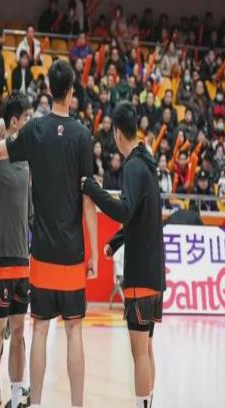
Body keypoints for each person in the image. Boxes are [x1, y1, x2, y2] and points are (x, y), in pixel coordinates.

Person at [0, 60, 99, 408]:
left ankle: (35, 403)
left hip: (40, 253)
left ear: (49, 91)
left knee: (39, 328)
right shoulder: (82, 135)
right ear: (71, 91)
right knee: (74, 330)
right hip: (72, 254)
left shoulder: (35, 130)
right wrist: (95, 253)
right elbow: (88, 200)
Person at [82, 101, 166, 408]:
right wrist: (116, 242)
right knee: (147, 347)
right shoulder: (148, 163)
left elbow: (125, 210)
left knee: (139, 352)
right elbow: (142, 215)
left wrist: (93, 190)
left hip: (140, 274)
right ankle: (148, 402)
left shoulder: (132, 166)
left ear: (117, 133)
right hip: (155, 273)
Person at [0, 92, 32, 408]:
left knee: (18, 332)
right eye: (26, 118)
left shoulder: (28, 160)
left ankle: (17, 393)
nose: (30, 122)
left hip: (22, 260)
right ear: (14, 121)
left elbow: (30, 211)